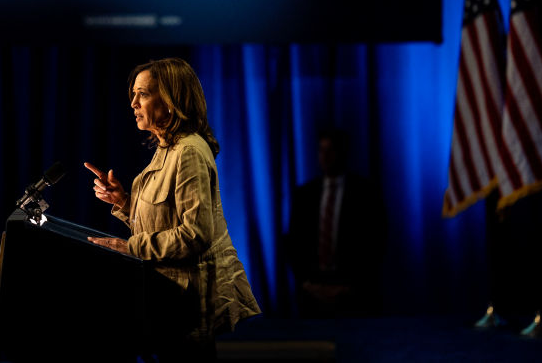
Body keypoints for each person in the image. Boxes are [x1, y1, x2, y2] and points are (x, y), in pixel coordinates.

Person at [84, 57, 261, 360]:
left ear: (170, 101)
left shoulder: (188, 151)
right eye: (134, 94)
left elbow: (195, 235)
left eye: (143, 94)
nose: (133, 103)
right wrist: (124, 203)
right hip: (167, 302)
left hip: (184, 307)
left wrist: (131, 248)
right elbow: (165, 220)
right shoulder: (168, 147)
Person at [285, 128, 385, 318]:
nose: (325, 156)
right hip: (312, 292)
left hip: (353, 295)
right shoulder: (304, 194)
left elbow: (375, 242)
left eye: (331, 150)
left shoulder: (365, 194)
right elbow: (294, 241)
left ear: (342, 153)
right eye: (321, 150)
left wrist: (349, 287)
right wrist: (307, 283)